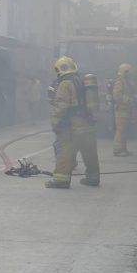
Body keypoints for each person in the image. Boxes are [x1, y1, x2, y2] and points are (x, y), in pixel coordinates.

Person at [46, 56, 100, 189]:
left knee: (65, 152)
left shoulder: (65, 83)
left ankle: (61, 181)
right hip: (87, 123)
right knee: (90, 153)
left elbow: (62, 106)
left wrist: (55, 121)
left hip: (73, 126)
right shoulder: (83, 81)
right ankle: (93, 178)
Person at [111, 62, 135, 157]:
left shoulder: (125, 82)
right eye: (129, 72)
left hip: (125, 110)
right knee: (120, 131)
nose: (130, 74)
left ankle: (123, 149)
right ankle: (117, 150)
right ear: (125, 72)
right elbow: (117, 96)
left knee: (124, 131)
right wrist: (128, 100)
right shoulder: (119, 82)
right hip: (121, 111)